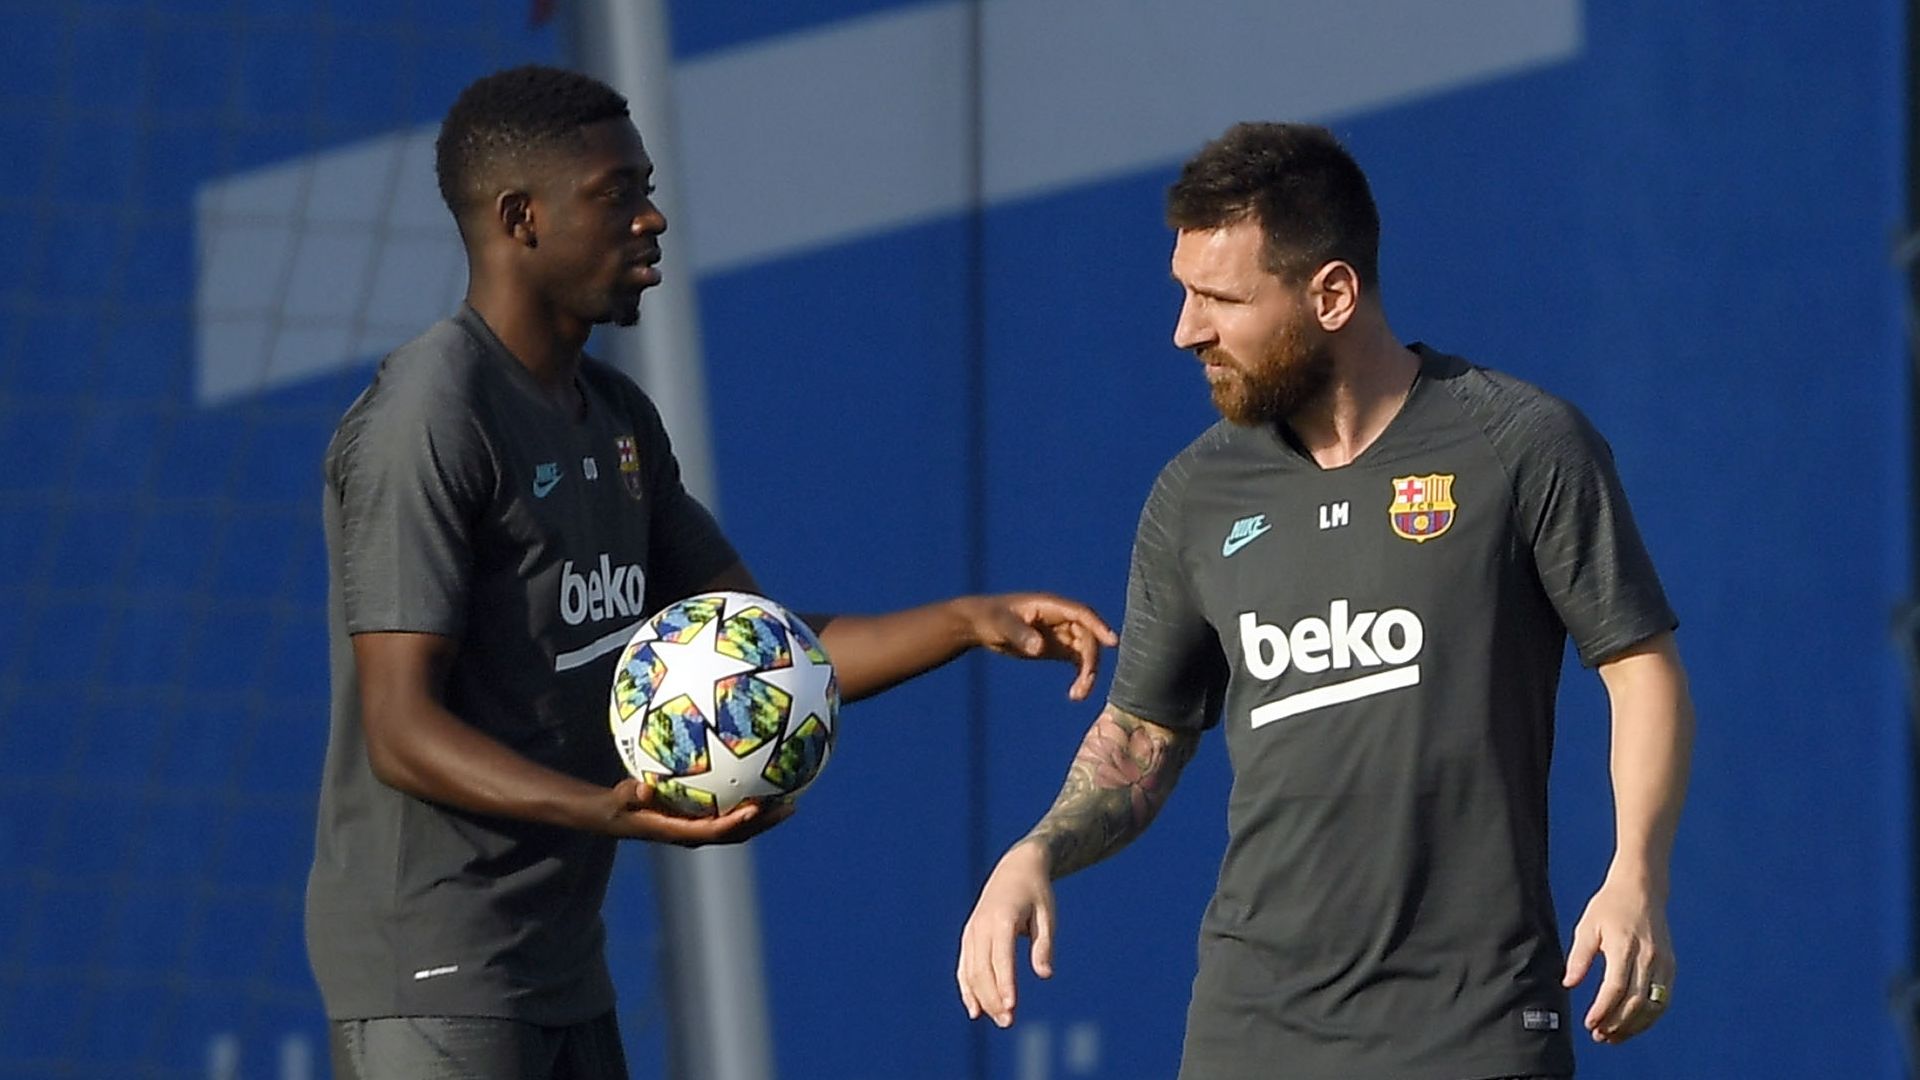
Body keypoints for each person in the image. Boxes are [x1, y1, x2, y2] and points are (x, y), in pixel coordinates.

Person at [305, 64, 1118, 1080]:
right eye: (616, 195)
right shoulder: (430, 417)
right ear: (520, 219)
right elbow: (399, 730)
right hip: (429, 972)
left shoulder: (615, 418)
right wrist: (599, 807)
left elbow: (762, 648)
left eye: (648, 188)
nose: (651, 219)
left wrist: (968, 620)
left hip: (559, 965)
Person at [955, 122, 1694, 1080]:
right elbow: (1144, 731)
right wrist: (1037, 851)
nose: (1186, 330)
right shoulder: (1195, 495)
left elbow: (1640, 671)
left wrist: (1638, 875)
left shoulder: (1520, 443)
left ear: (1333, 294)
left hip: (1474, 1029)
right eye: (1184, 293)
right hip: (1251, 1034)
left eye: (1219, 299)